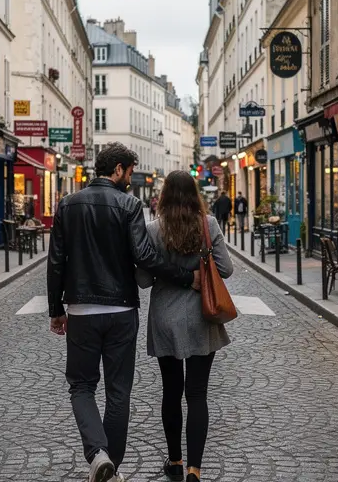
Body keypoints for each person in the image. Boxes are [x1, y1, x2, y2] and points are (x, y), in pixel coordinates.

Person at [48, 143, 202, 482]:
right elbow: (146, 257)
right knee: (119, 392)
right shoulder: (129, 205)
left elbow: (56, 260)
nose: (130, 180)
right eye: (130, 173)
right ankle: (109, 466)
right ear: (117, 169)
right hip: (121, 310)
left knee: (81, 386)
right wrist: (184, 276)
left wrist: (56, 309)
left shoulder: (67, 204)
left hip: (82, 310)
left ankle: (98, 455)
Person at [137, 171, 233, 482]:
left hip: (165, 317)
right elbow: (226, 270)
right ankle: (195, 469)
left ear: (163, 197)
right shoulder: (208, 225)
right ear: (195, 195)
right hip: (201, 316)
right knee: (197, 394)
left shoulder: (153, 230)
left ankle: (175, 462)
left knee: (171, 392)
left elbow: (143, 279)